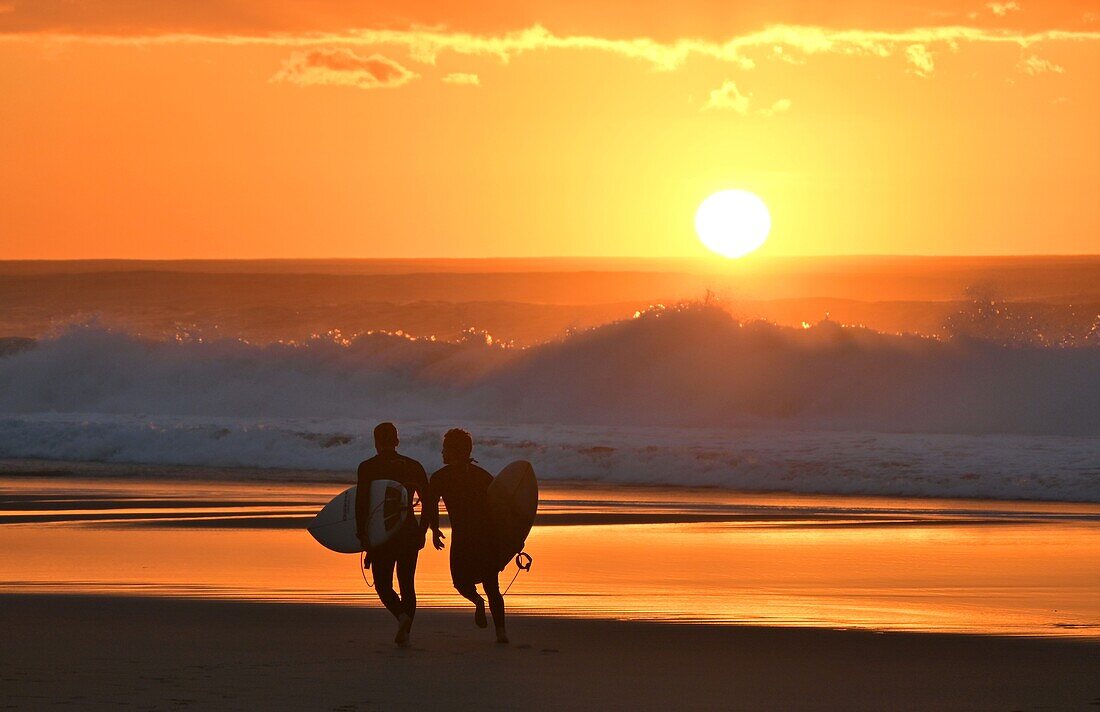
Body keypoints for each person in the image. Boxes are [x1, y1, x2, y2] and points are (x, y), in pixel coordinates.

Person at [425, 428, 509, 644]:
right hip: (478, 537)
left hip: (474, 537)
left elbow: (430, 507)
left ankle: (494, 623)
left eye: (445, 449)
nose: (442, 453)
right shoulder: (477, 476)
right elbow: (502, 506)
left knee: (476, 584)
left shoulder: (445, 477)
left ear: (454, 451)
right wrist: (434, 530)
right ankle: (489, 616)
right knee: (480, 585)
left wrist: (433, 530)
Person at [356, 422, 430, 647]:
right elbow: (428, 502)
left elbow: (362, 504)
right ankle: (406, 631)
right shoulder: (414, 466)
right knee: (407, 583)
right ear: (396, 441)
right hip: (408, 530)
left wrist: (363, 536)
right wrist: (422, 530)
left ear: (376, 442)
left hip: (382, 532)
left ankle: (401, 617)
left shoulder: (367, 467)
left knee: (383, 585)